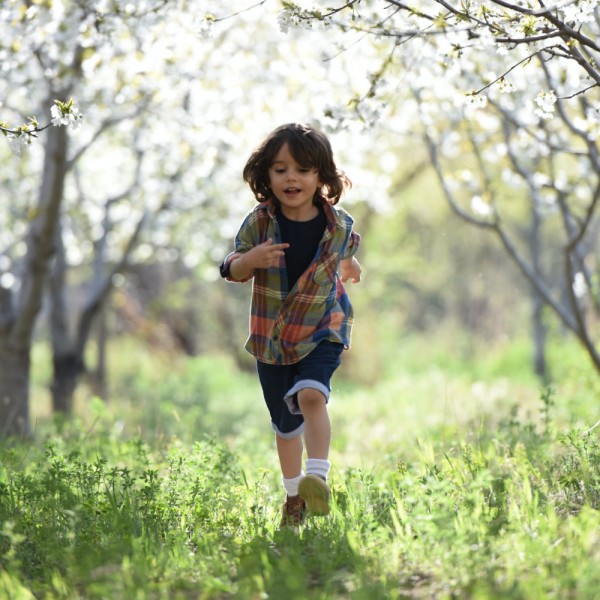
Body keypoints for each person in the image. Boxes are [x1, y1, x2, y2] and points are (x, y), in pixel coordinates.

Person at [219, 123, 362, 527]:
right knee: (286, 426)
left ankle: (317, 477)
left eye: (302, 169)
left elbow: (346, 250)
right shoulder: (260, 224)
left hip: (323, 326)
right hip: (274, 338)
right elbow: (230, 266)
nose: (291, 178)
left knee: (312, 396)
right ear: (266, 176)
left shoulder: (338, 224)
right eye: (280, 170)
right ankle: (294, 495)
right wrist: (249, 261)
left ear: (321, 177)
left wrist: (351, 267)